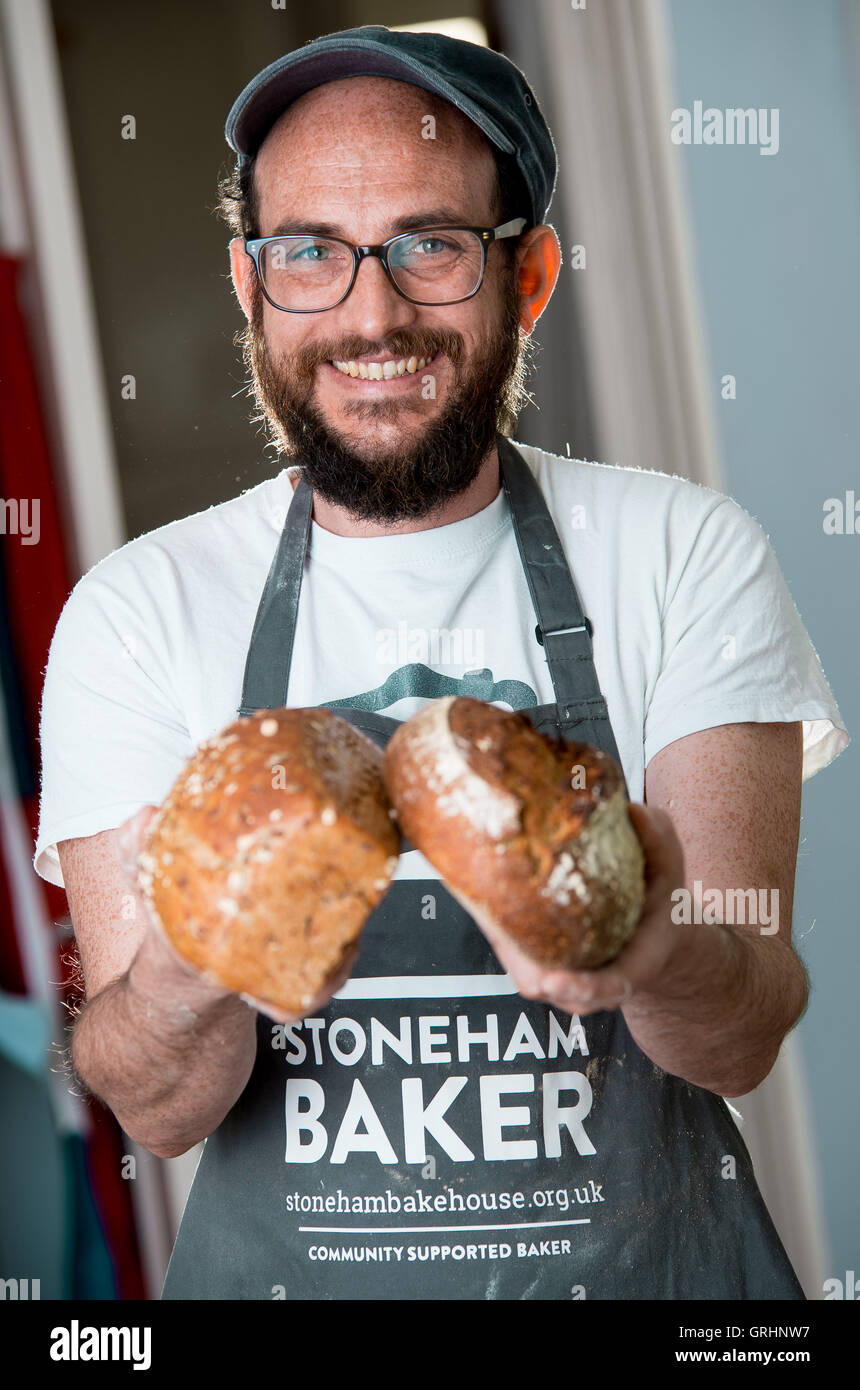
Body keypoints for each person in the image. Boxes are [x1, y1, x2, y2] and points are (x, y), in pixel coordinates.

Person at [35, 26, 848, 1300]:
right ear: (249, 286)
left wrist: (649, 946)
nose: (371, 314)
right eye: (309, 251)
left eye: (430, 244)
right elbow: (156, 1110)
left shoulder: (681, 552)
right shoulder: (137, 611)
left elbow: (739, 1032)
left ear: (525, 278)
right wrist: (200, 948)